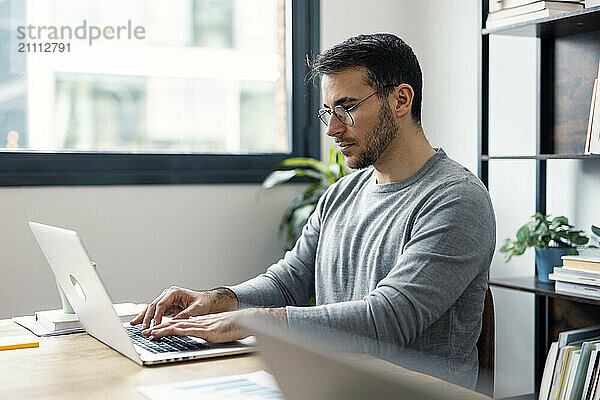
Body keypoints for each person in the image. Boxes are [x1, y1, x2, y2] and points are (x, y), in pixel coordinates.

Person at [130, 33, 496, 388]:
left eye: (347, 108)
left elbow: (389, 320)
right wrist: (219, 300)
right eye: (328, 112)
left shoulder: (456, 200)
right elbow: (287, 283)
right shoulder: (341, 194)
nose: (333, 129)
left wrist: (255, 321)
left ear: (401, 100)